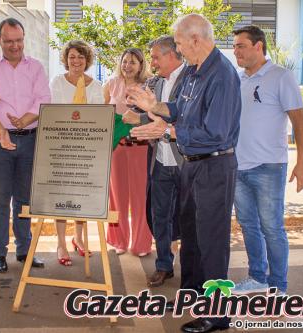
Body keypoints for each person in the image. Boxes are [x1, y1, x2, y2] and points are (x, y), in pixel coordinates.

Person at [128, 14, 241, 332]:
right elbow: (177, 108)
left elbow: (215, 132)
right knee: (190, 236)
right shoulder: (193, 72)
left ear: (196, 39)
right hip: (192, 165)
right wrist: (155, 105)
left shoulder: (223, 75)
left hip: (215, 165)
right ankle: (192, 295)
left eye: (178, 42)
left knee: (211, 242)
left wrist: (169, 131)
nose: (176, 49)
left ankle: (217, 314)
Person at [231, 26, 303, 295]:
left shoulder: (281, 76)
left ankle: (279, 286)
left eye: (241, 45)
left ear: (258, 46)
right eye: (235, 46)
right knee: (249, 225)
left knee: (272, 228)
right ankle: (257, 277)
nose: (235, 51)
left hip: (268, 167)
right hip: (238, 167)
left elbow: (299, 122)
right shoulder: (238, 79)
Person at [0, 18, 51, 273]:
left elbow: (44, 99)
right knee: (0, 198)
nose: (14, 46)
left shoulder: (36, 68)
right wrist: (1, 129)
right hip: (0, 140)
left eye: (18, 40)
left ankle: (24, 250)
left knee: (25, 198)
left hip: (30, 138)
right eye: (9, 41)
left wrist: (26, 119)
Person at [122, 36, 185, 287]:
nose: (153, 62)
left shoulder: (190, 80)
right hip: (159, 160)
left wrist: (145, 121)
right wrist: (135, 114)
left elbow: (185, 118)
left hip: (185, 161)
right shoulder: (154, 83)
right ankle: (163, 265)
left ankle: (191, 268)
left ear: (171, 55)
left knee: (187, 216)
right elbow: (147, 115)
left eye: (156, 57)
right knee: (159, 215)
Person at [50, 40, 104, 266]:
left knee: (82, 196)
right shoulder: (57, 82)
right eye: (72, 56)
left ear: (87, 60)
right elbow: (54, 112)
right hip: (62, 148)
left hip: (87, 150)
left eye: (81, 57)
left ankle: (79, 239)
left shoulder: (97, 86)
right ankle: (61, 243)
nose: (76, 61)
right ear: (66, 59)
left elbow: (99, 117)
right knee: (62, 197)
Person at [104, 48, 153, 257]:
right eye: (125, 61)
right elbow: (104, 113)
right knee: (117, 197)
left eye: (132, 62)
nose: (127, 66)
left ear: (141, 65)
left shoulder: (149, 86)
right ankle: (119, 240)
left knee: (141, 197)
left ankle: (142, 244)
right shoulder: (111, 84)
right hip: (117, 149)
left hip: (140, 148)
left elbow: (153, 115)